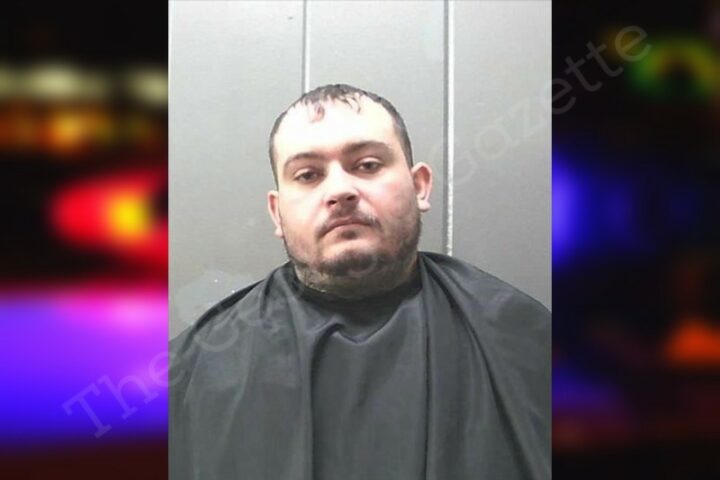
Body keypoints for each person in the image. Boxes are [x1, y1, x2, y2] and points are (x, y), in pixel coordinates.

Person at [169, 84, 550, 480]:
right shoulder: (189, 374)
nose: (339, 190)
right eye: (308, 175)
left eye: (367, 165)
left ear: (420, 186)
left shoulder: (523, 340)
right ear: (277, 213)